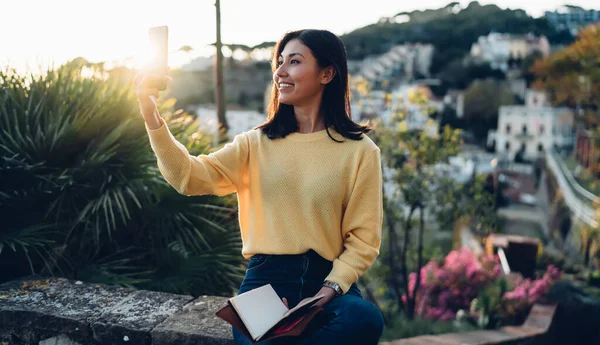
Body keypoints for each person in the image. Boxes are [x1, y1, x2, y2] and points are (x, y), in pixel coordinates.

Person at [135, 29, 384, 345]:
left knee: (364, 319)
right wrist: (151, 116)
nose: (280, 72)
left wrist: (329, 289)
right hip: (266, 279)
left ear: (327, 73)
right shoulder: (255, 144)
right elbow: (188, 177)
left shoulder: (360, 151)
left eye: (294, 62)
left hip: (329, 280)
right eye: (279, 62)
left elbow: (364, 240)